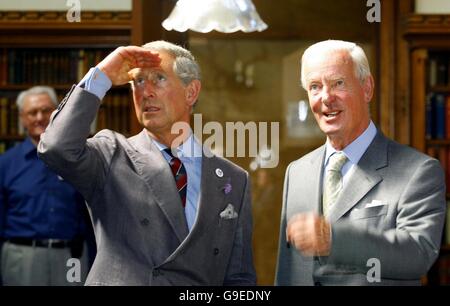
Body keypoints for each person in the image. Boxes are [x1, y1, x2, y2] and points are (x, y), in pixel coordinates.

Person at [37, 41, 256, 285]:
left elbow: (239, 277)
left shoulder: (233, 178)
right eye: (138, 81)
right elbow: (56, 148)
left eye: (159, 79)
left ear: (191, 92)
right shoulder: (111, 153)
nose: (146, 92)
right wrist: (103, 76)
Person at [275, 40, 446, 286]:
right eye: (315, 86)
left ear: (367, 88)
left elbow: (418, 254)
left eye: (338, 83)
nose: (326, 98)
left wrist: (333, 239)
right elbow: (288, 270)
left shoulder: (419, 171)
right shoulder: (297, 172)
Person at [0, 86, 93, 286]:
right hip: (22, 257)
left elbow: (92, 217)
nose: (40, 117)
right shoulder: (5, 164)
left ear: (57, 112)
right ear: (22, 118)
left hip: (72, 258)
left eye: (46, 110)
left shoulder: (78, 158)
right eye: (32, 112)